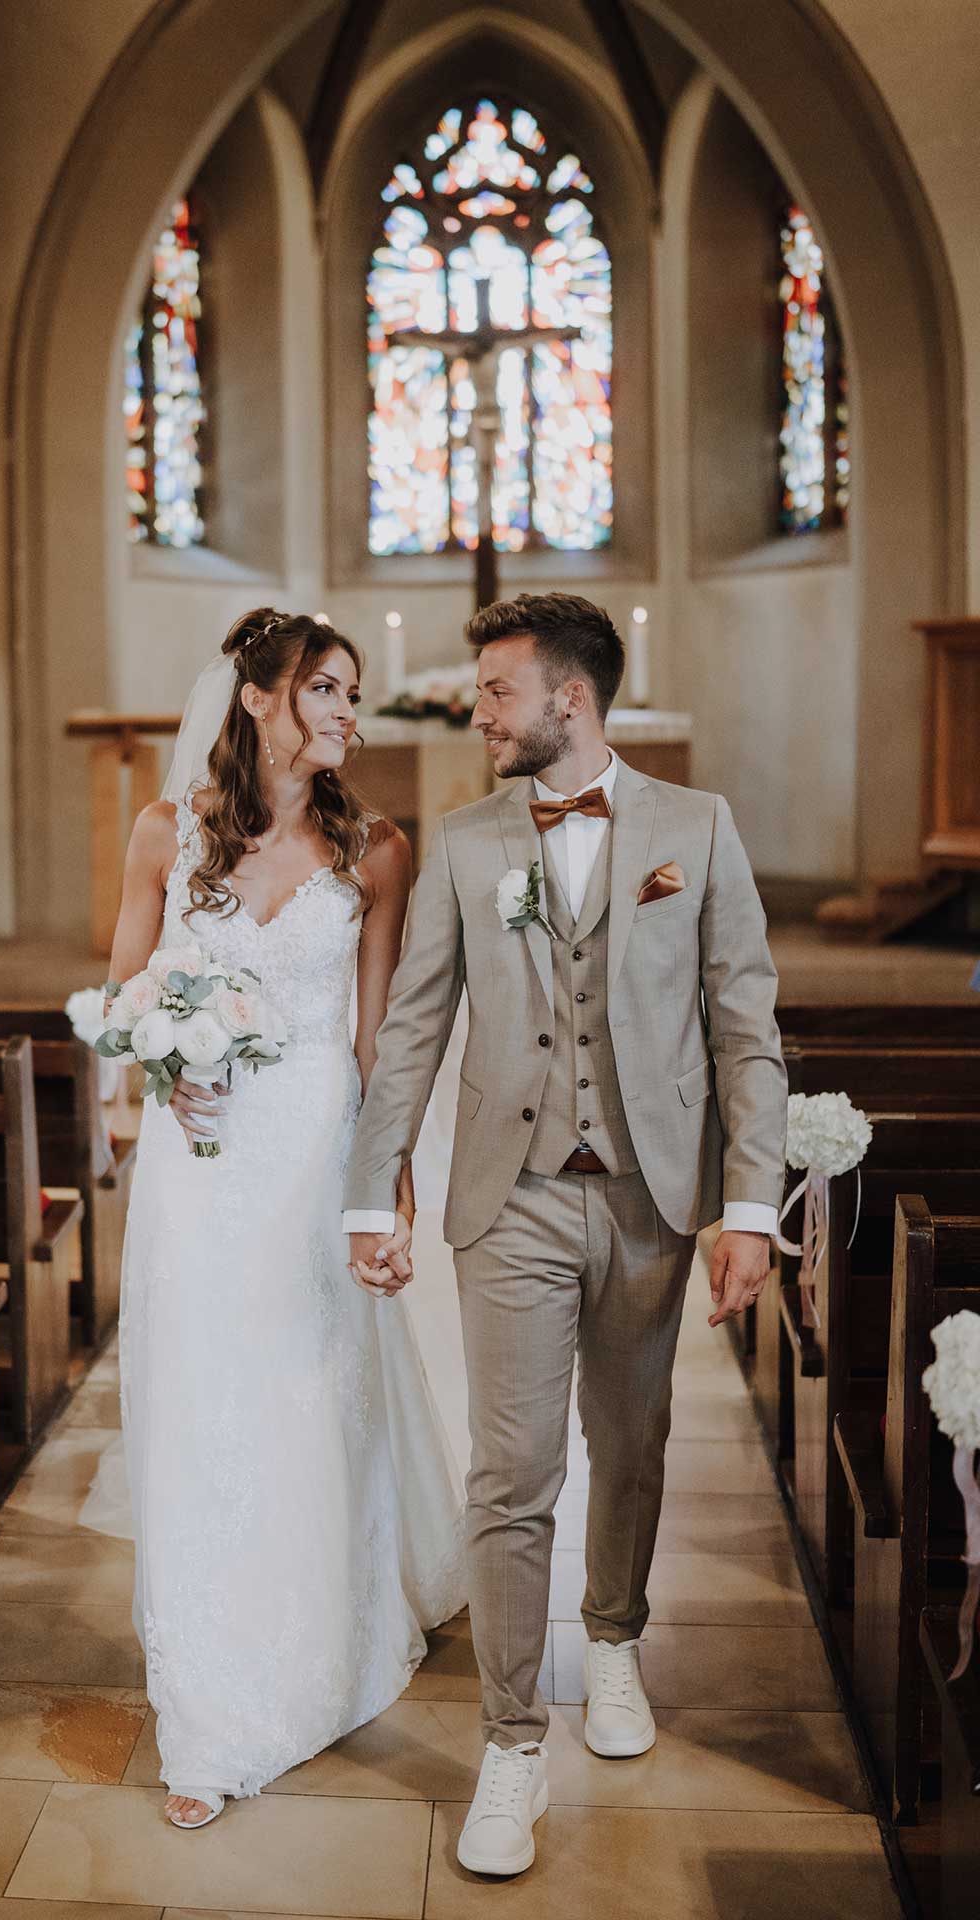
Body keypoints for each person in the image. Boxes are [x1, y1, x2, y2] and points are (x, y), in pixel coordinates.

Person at [345, 591, 787, 1879]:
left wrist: (746, 1208)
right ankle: (509, 1742)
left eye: (494, 691)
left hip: (652, 1198)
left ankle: (609, 1638)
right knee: (511, 1468)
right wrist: (374, 1189)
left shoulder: (694, 830)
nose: (474, 710)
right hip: (512, 1197)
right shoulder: (466, 839)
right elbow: (415, 1026)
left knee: (632, 1437)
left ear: (568, 702)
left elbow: (742, 1028)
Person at [92, 608, 466, 1831]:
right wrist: (160, 1063)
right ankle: (206, 1706)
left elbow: (375, 1041)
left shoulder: (378, 851)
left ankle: (323, 1638)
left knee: (308, 1398)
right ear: (255, 697)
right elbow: (119, 993)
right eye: (325, 689)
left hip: (312, 1151)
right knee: (203, 1405)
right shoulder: (164, 832)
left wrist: (387, 1189)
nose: (347, 713)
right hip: (197, 1167)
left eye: (353, 693)